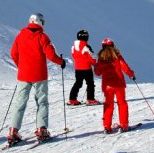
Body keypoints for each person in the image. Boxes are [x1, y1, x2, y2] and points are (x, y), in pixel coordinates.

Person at [6, 13, 65, 145]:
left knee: (20, 102)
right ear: (41, 22)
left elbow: (13, 53)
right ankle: (41, 130)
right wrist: (61, 62)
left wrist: (21, 66)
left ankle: (13, 131)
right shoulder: (42, 37)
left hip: (23, 75)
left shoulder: (20, 36)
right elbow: (51, 55)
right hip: (39, 75)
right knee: (42, 102)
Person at [94, 39, 136, 133]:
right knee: (122, 103)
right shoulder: (117, 56)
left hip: (107, 86)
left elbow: (97, 72)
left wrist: (96, 66)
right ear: (113, 46)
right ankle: (124, 125)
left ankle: (107, 127)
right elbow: (125, 67)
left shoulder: (101, 58)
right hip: (119, 84)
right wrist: (131, 75)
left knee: (108, 105)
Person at [67, 29, 99, 106]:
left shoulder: (73, 47)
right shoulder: (86, 46)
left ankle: (72, 99)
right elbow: (92, 58)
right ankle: (90, 99)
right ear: (86, 37)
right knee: (90, 83)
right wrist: (95, 64)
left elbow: (73, 56)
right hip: (87, 68)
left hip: (78, 68)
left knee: (78, 83)